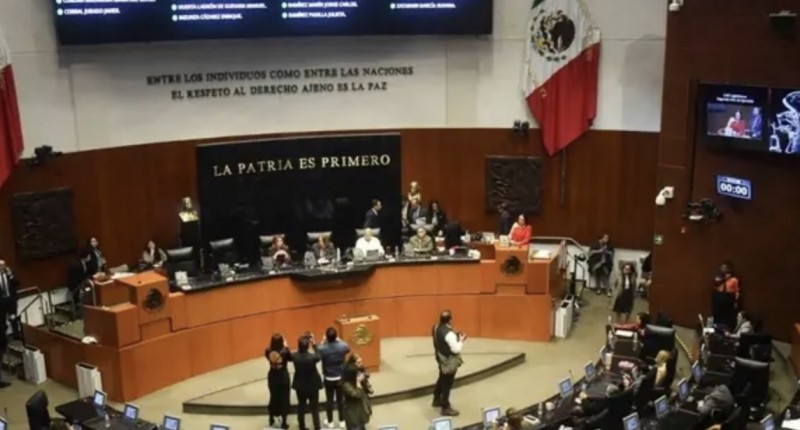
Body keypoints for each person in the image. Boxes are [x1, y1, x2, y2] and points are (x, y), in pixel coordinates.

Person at [432, 310, 465, 416]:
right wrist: (461, 340)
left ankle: (436, 399)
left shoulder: (435, 327)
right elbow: (456, 349)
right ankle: (445, 407)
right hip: (449, 361)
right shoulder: (449, 334)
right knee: (447, 383)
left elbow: (440, 341)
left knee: (442, 377)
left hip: (440, 357)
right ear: (450, 320)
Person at [317, 327, 350, 428]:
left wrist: (323, 341)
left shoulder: (323, 348)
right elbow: (347, 348)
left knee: (329, 400)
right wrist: (338, 340)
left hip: (328, 378)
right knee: (340, 400)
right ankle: (342, 420)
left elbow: (317, 350)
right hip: (340, 377)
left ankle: (330, 422)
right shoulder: (341, 346)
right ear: (336, 337)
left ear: (327, 337)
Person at [292, 334, 323, 430]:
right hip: (313, 385)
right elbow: (319, 354)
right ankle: (317, 426)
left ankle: (301, 426)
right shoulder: (313, 357)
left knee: (301, 406)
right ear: (308, 346)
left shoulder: (294, 356)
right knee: (314, 408)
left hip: (300, 385)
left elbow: (288, 355)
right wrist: (314, 344)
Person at [265, 333, 292, 429]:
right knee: (284, 399)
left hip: (272, 376)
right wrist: (286, 346)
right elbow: (291, 358)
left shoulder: (268, 350)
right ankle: (284, 422)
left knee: (273, 397)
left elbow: (268, 357)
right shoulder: (285, 351)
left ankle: (271, 418)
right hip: (283, 377)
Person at [0, 258, 19, 389]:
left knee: (12, 323)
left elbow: (16, 284)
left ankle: (15, 335)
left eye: (3, 265)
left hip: (10, 304)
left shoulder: (8, 275)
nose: (3, 267)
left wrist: (11, 275)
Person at [341, 355, 372, 430]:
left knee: (362, 426)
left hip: (361, 411)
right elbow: (356, 394)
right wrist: (358, 383)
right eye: (358, 362)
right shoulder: (346, 385)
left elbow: (366, 390)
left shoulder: (358, 372)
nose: (360, 364)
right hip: (353, 415)